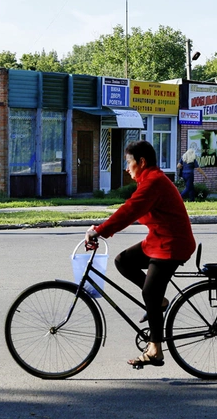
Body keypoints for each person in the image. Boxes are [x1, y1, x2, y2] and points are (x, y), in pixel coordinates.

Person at [85, 140, 196, 369]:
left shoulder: (153, 182)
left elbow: (129, 211)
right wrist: (102, 230)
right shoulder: (149, 180)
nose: (127, 168)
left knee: (149, 293)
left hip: (172, 245)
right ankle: (160, 302)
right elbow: (131, 208)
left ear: (141, 162)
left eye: (129, 162)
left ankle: (155, 349)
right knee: (123, 261)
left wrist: (99, 230)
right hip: (158, 240)